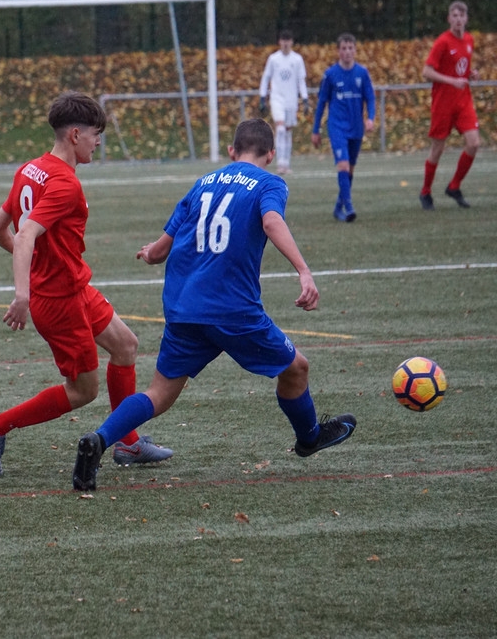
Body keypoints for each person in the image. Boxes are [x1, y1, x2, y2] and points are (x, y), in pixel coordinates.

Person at [72, 119, 356, 491]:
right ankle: (309, 438)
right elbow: (271, 222)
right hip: (233, 310)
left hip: (184, 306)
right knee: (296, 369)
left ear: (232, 152)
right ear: (270, 154)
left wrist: (148, 252)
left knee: (158, 393)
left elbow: (159, 250)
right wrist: (304, 271)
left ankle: (99, 439)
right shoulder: (270, 183)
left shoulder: (203, 182)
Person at [0, 91, 173, 477]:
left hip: (75, 288)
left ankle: (129, 443)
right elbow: (27, 233)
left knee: (126, 345)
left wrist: (34, 265)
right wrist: (23, 292)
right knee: (83, 390)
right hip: (58, 301)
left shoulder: (29, 169)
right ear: (75, 134)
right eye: (96, 135)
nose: (98, 142)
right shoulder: (65, 183)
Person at [419, 1, 480, 210]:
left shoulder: (470, 40)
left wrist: (470, 74)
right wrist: (451, 80)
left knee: (473, 143)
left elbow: (461, 69)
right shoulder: (442, 42)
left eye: (462, 16)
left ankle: (454, 186)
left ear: (466, 19)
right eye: (454, 15)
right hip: (443, 103)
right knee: (438, 149)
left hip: (463, 102)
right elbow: (426, 72)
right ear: (449, 19)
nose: (458, 19)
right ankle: (425, 192)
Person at [312, 33, 376, 223]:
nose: (347, 52)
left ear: (355, 50)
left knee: (350, 170)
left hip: (356, 127)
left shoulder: (362, 73)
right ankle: (348, 206)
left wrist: (370, 118)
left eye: (350, 48)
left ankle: (339, 206)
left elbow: (370, 98)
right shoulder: (330, 75)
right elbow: (322, 103)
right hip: (337, 126)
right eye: (344, 48)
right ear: (338, 51)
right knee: (343, 165)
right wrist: (316, 130)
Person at [258, 29, 309, 175]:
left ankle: (286, 163)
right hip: (277, 99)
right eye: (283, 40)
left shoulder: (297, 60)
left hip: (291, 100)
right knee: (280, 129)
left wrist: (305, 99)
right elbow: (266, 78)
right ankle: (280, 163)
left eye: (288, 40)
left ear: (292, 42)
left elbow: (301, 81)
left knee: (287, 132)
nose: (286, 43)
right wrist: (263, 97)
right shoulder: (274, 59)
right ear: (279, 42)